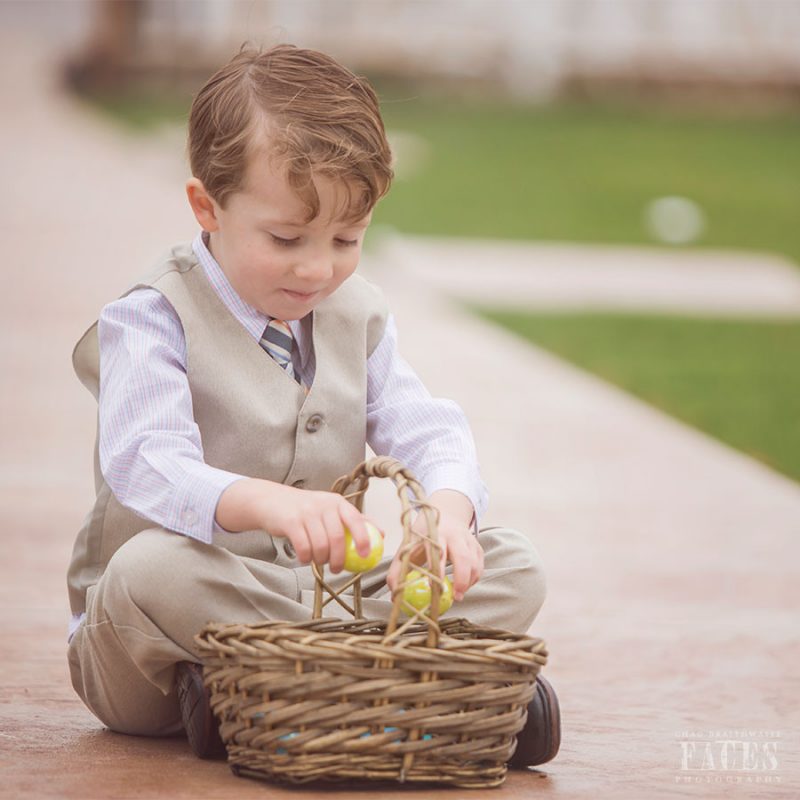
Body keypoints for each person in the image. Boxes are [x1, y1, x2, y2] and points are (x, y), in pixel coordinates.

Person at [66, 43, 560, 769]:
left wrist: (448, 517)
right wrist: (270, 505)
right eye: (287, 238)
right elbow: (148, 462)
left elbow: (427, 427)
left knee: (515, 562)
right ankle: (411, 690)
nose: (317, 268)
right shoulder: (152, 316)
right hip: (170, 628)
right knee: (147, 571)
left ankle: (295, 697)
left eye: (347, 239)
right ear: (208, 205)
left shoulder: (353, 314)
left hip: (310, 598)